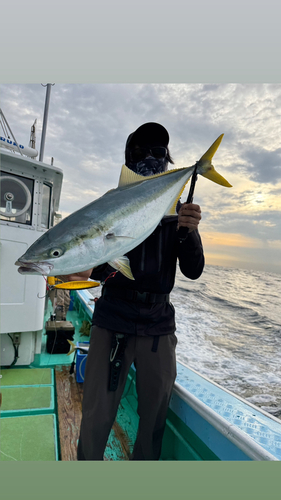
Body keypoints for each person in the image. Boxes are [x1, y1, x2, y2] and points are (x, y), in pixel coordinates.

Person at [64, 122, 204, 460]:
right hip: (113, 321)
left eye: (158, 151)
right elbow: (95, 263)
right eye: (141, 151)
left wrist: (189, 232)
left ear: (167, 159)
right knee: (96, 415)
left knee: (154, 419)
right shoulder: (113, 207)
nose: (150, 157)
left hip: (158, 325)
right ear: (129, 158)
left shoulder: (174, 211)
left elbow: (193, 270)